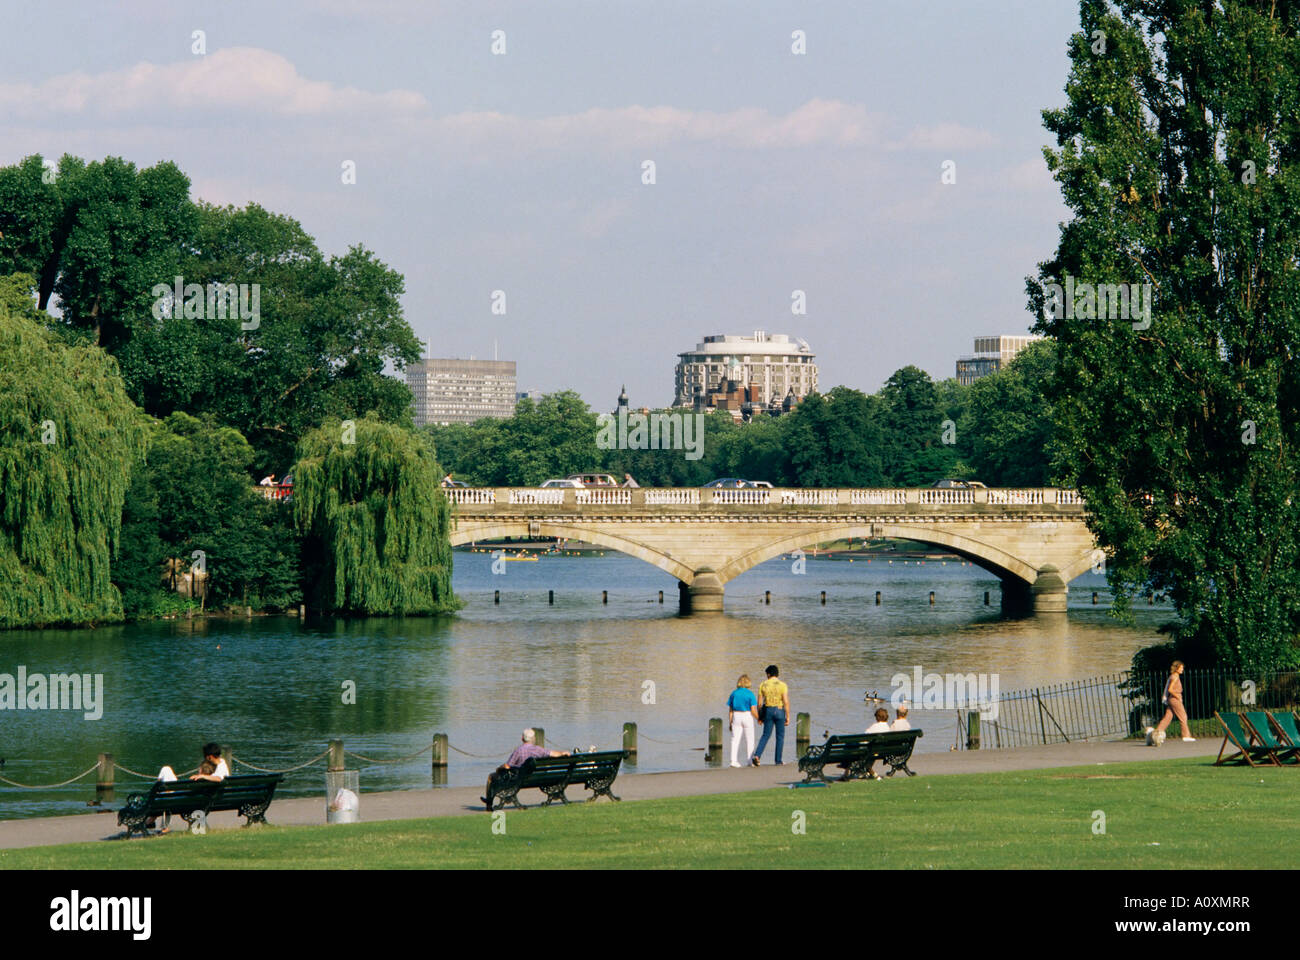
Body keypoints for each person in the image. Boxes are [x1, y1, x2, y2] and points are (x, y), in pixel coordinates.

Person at [482, 729, 569, 810]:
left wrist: (499, 768)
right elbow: (552, 753)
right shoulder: (538, 750)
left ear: (522, 738)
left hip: (518, 779)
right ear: (533, 739)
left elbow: (508, 766)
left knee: (492, 776)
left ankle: (489, 803)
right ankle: (489, 801)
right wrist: (563, 753)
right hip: (536, 778)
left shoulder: (519, 750)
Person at [751, 665, 791, 766]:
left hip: (768, 710)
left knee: (765, 735)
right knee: (780, 736)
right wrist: (788, 716)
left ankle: (757, 755)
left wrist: (760, 717)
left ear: (768, 674)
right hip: (779, 710)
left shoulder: (763, 684)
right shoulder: (783, 685)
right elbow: (786, 702)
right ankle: (778, 760)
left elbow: (759, 703)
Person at [1149, 661, 1194, 745]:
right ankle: (1186, 736)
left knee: (1167, 718)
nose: (1182, 669)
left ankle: (1156, 735)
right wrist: (1177, 697)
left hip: (1172, 699)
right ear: (1176, 668)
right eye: (1181, 668)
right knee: (1183, 716)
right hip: (1175, 699)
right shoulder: (1175, 677)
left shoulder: (1173, 676)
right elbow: (1170, 689)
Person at [726, 674, 759, 768]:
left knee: (735, 739)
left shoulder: (734, 693)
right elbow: (753, 710)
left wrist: (730, 722)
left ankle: (733, 761)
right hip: (747, 715)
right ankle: (749, 760)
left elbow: (730, 710)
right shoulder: (750, 694)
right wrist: (759, 719)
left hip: (736, 715)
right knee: (750, 739)